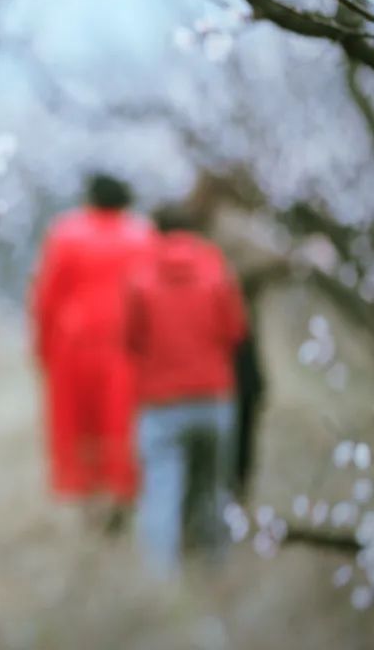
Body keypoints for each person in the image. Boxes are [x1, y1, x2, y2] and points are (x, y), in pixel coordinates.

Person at [125, 204, 247, 575]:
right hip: (213, 399)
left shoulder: (139, 277)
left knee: (162, 490)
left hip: (161, 402)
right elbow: (236, 331)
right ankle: (216, 568)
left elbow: (131, 339)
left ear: (156, 231)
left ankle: (161, 582)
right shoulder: (217, 271)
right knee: (213, 487)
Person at [31, 173, 153, 521]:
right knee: (122, 421)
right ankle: (122, 493)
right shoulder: (142, 235)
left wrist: (42, 349)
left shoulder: (66, 234)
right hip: (127, 345)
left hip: (75, 345)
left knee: (78, 423)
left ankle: (88, 500)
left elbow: (46, 298)